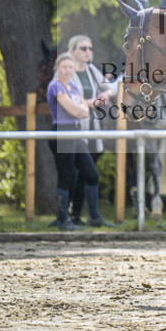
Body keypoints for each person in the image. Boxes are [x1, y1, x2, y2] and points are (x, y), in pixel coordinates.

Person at [46, 52, 110, 230]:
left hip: (76, 132)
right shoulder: (56, 86)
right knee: (66, 177)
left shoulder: (73, 88)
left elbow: (83, 110)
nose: (67, 70)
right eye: (64, 67)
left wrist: (81, 109)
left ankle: (94, 216)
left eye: (70, 67)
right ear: (57, 68)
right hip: (62, 133)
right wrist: (81, 109)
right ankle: (62, 219)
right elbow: (75, 110)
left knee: (91, 174)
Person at [67, 35, 117, 227]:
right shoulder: (67, 71)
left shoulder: (91, 70)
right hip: (74, 129)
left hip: (92, 129)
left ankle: (78, 216)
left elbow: (110, 87)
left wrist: (107, 93)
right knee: (80, 174)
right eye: (83, 48)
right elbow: (70, 100)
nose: (88, 52)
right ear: (73, 51)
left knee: (84, 174)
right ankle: (80, 215)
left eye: (90, 48)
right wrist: (95, 102)